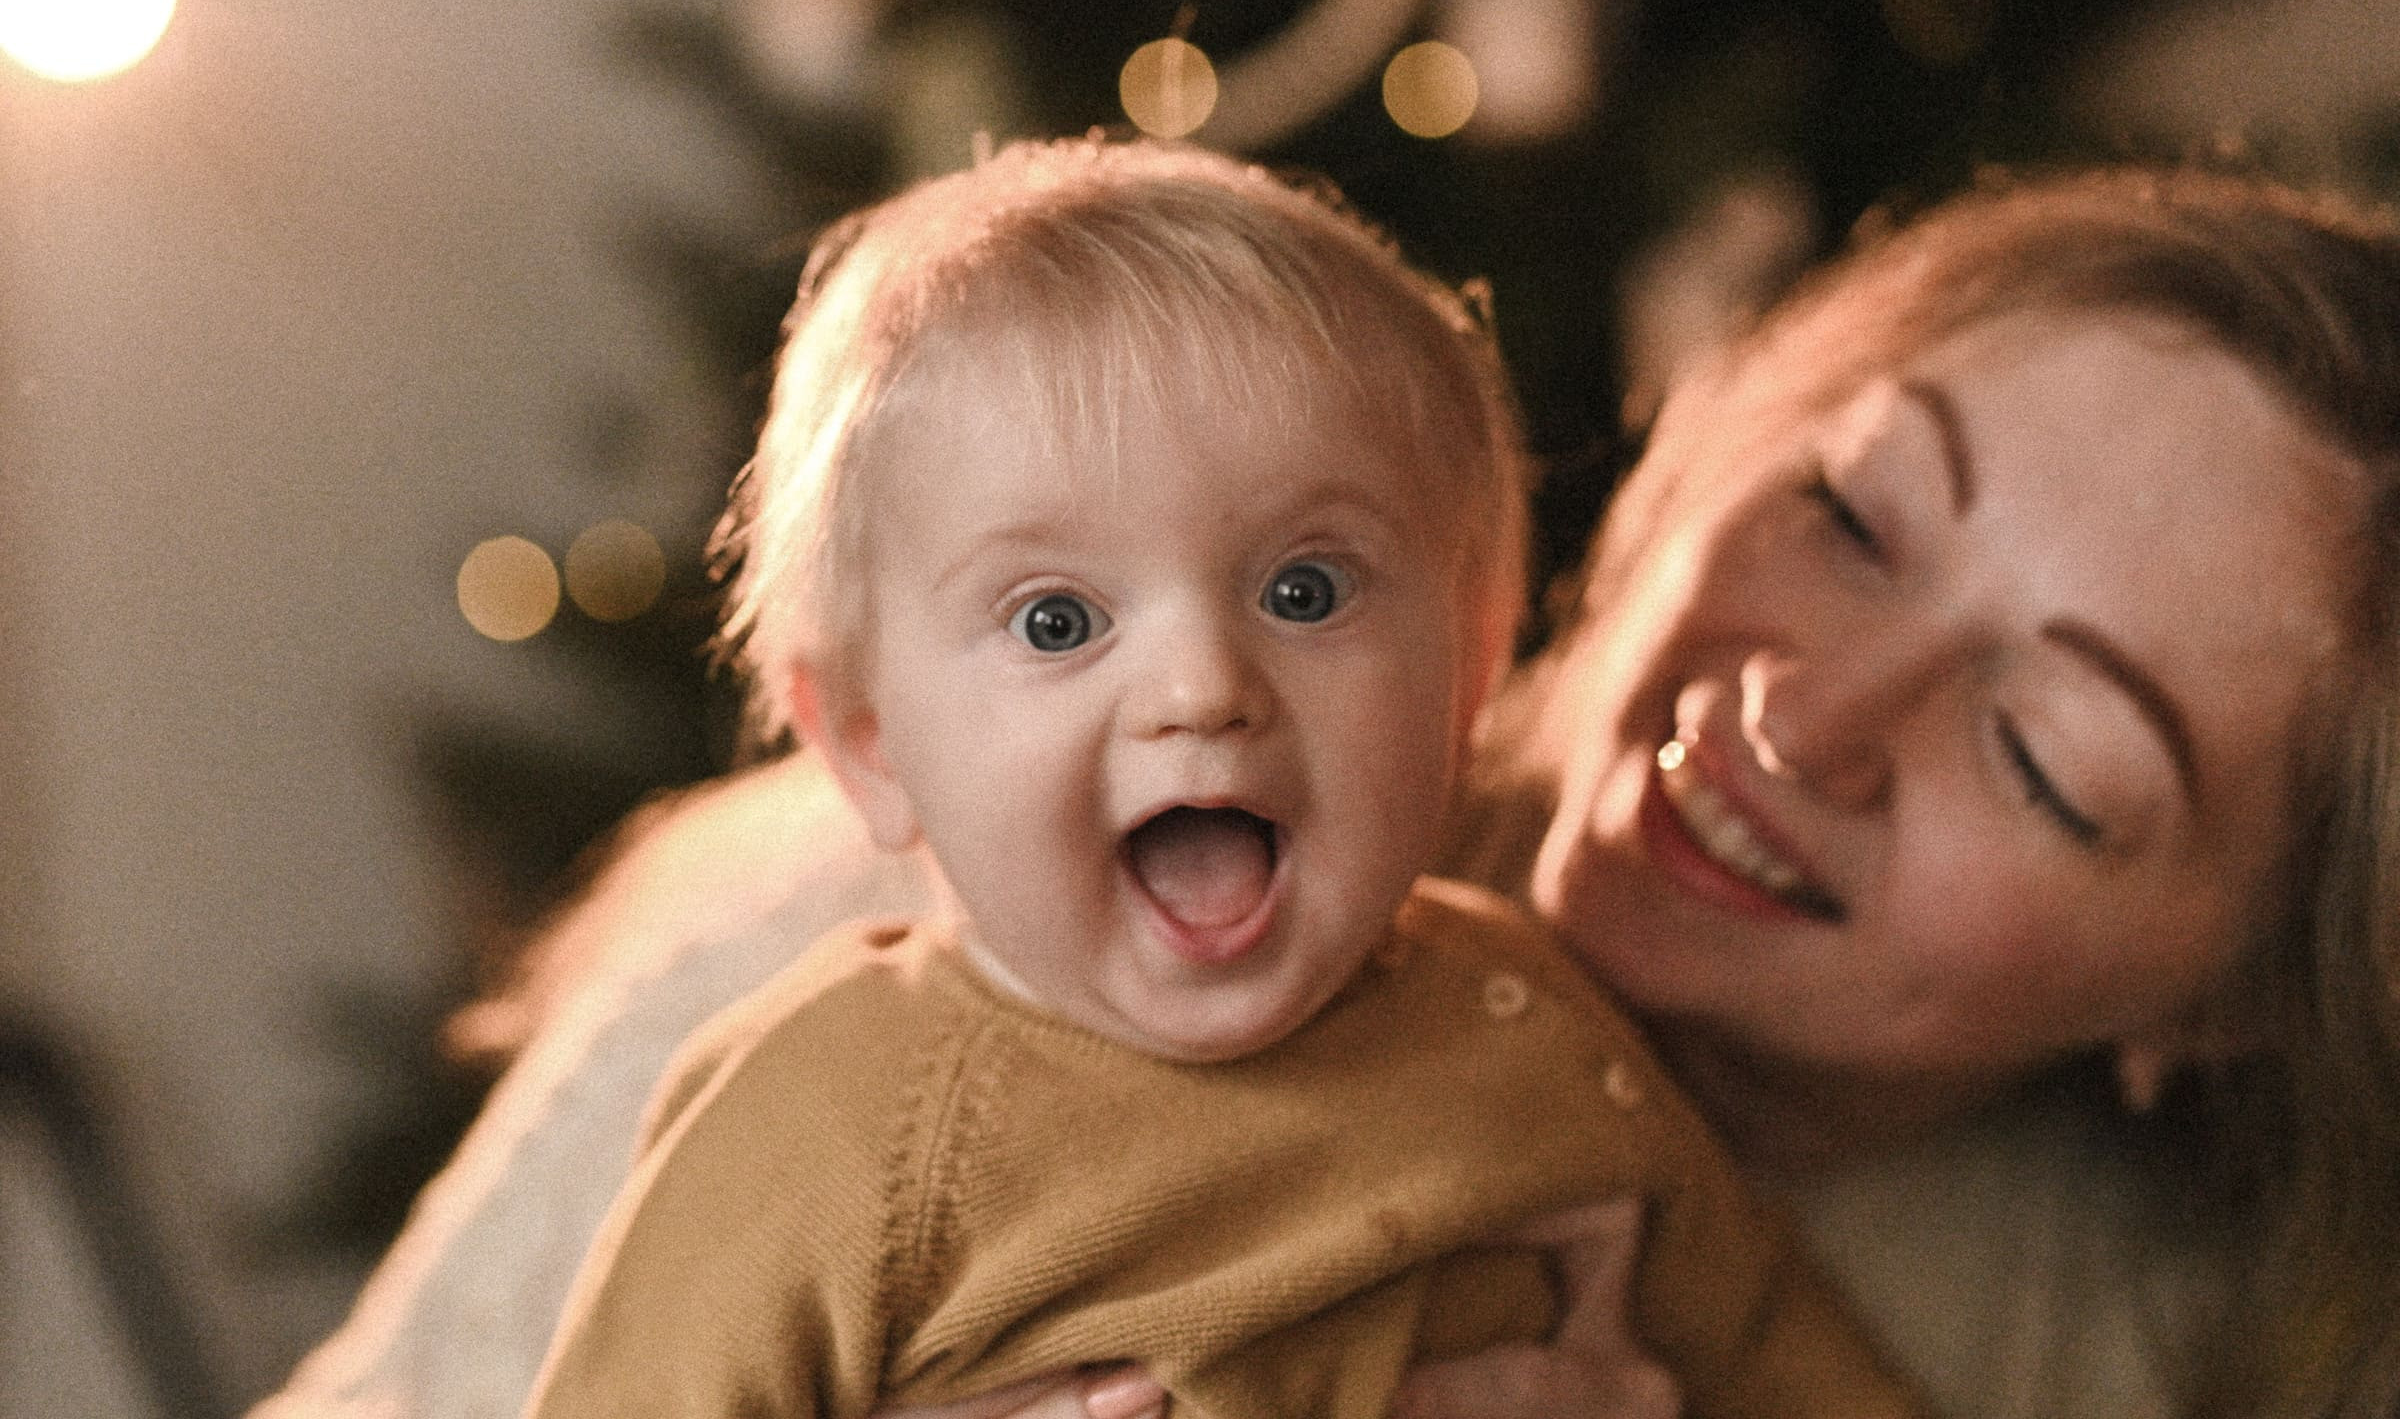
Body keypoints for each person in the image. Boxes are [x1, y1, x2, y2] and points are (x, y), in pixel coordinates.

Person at [250, 163, 2400, 1419]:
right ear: (1679, 459)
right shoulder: (855, 975)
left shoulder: (2146, 1347)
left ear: (2229, 990)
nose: (1806, 718)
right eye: (1847, 512)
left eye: (2045, 753)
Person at [516, 134, 1921, 1419]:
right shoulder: (830, 1117)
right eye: (1057, 621)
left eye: (1306, 590)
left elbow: (1785, 1362)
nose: (1203, 689)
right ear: (869, 743)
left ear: (1470, 670)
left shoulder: (1531, 1017)